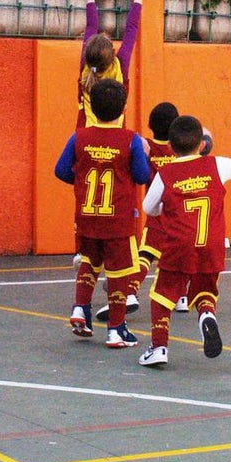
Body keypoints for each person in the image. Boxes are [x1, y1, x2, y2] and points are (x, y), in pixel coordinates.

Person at [137, 117, 231, 368]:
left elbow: (148, 207)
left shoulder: (166, 173)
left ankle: (159, 347)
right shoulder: (217, 165)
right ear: (203, 144)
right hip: (211, 243)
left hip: (179, 243)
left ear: (170, 147)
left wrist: (164, 209)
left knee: (162, 293)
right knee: (205, 288)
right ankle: (206, 315)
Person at [54, 79, 152, 348]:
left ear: (92, 107)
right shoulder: (131, 140)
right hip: (118, 220)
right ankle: (116, 330)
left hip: (87, 217)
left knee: (89, 260)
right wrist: (144, 154)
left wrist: (82, 181)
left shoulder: (79, 136)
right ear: (123, 108)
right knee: (120, 272)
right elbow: (142, 176)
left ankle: (80, 308)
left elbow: (61, 171)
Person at [67, 0, 144, 271]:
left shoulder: (85, 69)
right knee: (121, 190)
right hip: (116, 136)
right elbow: (132, 30)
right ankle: (122, 247)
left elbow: (90, 28)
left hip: (85, 135)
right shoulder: (120, 66)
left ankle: (82, 248)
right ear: (112, 54)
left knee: (83, 192)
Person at [94, 101, 190, 322]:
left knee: (146, 254)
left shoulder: (146, 146)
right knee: (178, 256)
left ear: (150, 125)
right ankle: (181, 297)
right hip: (182, 214)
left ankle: (129, 291)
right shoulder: (180, 151)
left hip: (158, 212)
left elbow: (140, 172)